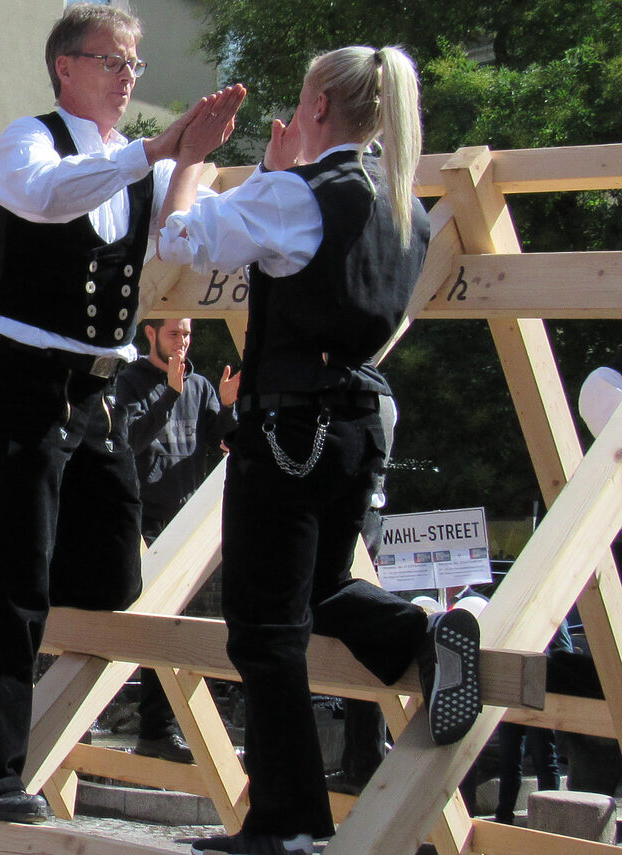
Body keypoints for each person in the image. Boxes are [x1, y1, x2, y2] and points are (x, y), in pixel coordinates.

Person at [154, 48, 482, 855]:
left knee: (264, 629)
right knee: (327, 586)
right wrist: (275, 175)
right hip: (360, 420)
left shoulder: (297, 194)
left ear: (322, 108)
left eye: (302, 102)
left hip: (289, 427)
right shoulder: (406, 204)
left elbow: (180, 240)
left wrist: (192, 162)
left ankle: (289, 820)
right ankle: (418, 634)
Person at [0, 4, 228, 824]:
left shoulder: (143, 163)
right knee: (16, 589)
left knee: (110, 576)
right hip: (20, 379)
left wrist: (195, 160)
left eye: (135, 65)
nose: (130, 77)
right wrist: (158, 150)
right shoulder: (31, 138)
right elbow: (43, 198)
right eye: (114, 62)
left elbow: (177, 240)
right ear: (66, 67)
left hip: (92, 392)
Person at [115, 316, 237, 763]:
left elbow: (225, 441)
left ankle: (158, 731)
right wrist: (170, 391)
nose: (183, 342)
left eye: (187, 334)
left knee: (174, 630)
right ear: (150, 334)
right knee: (141, 624)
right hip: (142, 521)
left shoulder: (201, 385)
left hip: (184, 521)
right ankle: (123, 725)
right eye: (174, 334)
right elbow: (129, 441)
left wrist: (226, 407)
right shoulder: (129, 381)